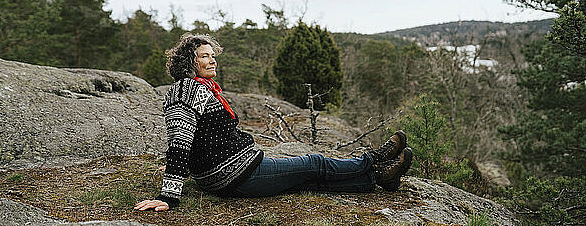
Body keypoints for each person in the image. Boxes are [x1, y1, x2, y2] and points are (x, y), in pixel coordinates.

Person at [134, 34, 413, 212]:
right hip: (233, 175)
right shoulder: (186, 90)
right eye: (204, 56)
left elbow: (196, 138)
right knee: (313, 163)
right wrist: (169, 196)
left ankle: (378, 179)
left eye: (213, 55)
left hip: (231, 170)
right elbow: (180, 142)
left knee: (307, 181)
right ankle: (372, 160)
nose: (212, 61)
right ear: (189, 62)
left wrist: (187, 167)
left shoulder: (202, 88)